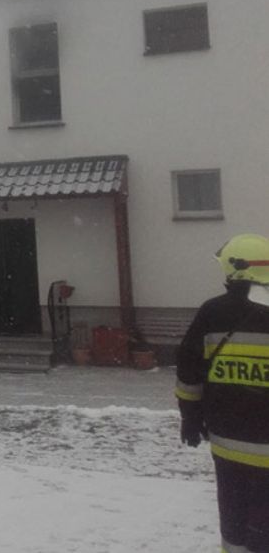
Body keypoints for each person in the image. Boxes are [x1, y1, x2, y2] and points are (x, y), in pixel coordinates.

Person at [177, 233, 269, 552]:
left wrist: (190, 418)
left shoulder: (212, 312)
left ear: (233, 270)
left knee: (233, 521)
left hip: (228, 445)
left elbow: (189, 373)